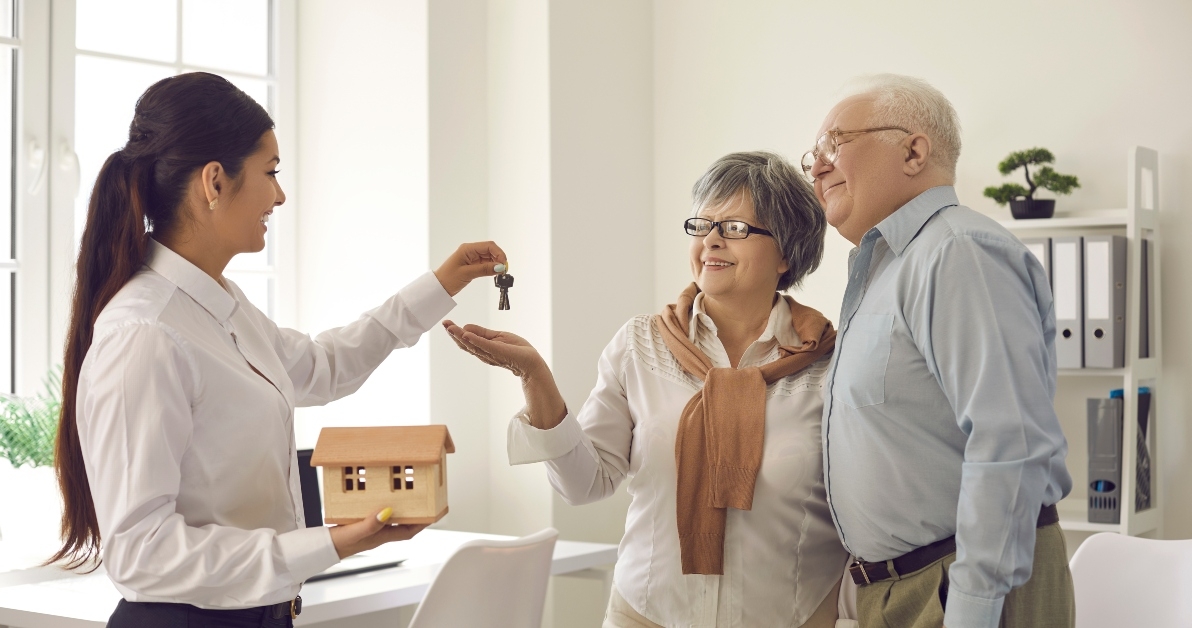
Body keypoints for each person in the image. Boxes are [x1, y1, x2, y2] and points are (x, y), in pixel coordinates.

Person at [47, 72, 506, 627]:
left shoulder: (219, 305)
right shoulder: (144, 333)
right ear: (214, 182)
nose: (280, 195)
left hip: (265, 614)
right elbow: (142, 555)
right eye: (270, 173)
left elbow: (323, 367)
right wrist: (325, 546)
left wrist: (442, 284)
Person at [446, 152, 855, 628]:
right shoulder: (641, 345)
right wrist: (535, 377)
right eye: (702, 225)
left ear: (787, 252)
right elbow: (584, 484)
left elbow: (862, 513)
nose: (711, 242)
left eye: (736, 228)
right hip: (645, 616)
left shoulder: (831, 361)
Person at [804, 74, 1074, 628]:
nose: (817, 166)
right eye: (813, 153)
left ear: (913, 150)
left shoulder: (959, 253)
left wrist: (972, 611)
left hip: (967, 588)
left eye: (836, 143)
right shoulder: (886, 269)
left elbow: (1010, 443)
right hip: (905, 591)